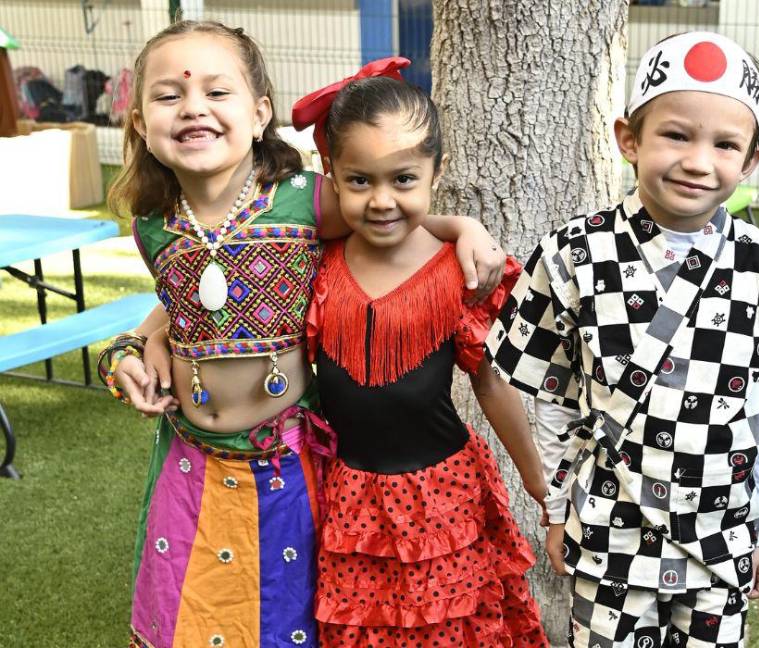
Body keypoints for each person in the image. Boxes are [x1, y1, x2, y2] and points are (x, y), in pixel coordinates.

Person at [98, 20, 507, 648]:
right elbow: (178, 300)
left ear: (261, 113)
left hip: (287, 463)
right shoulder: (152, 225)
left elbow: (386, 215)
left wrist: (463, 228)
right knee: (190, 610)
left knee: (285, 615)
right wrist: (136, 344)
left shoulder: (303, 201)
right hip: (189, 460)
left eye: (216, 91)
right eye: (169, 95)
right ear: (139, 123)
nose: (194, 108)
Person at [486, 31, 759, 647]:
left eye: (725, 144)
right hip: (609, 531)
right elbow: (552, 397)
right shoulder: (572, 253)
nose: (699, 161)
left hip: (719, 535)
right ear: (629, 138)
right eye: (676, 135)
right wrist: (556, 509)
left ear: (751, 160)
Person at [297, 73, 549, 646]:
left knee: (451, 628)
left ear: (437, 172)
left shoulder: (462, 273)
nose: (382, 200)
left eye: (403, 178)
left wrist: (539, 484)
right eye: (360, 180)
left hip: (443, 497)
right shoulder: (315, 265)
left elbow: (492, 385)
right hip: (346, 496)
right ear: (330, 173)